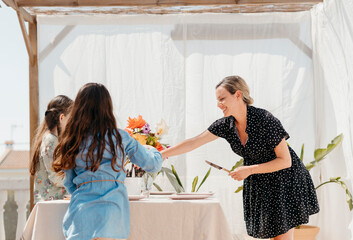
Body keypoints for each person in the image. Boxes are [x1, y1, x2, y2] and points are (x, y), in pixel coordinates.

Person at [161, 75, 319, 240]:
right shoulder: (226, 125)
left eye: (222, 98)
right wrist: (161, 154)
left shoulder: (265, 120)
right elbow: (194, 142)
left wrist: (249, 170)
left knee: (281, 238)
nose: (218, 104)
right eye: (217, 100)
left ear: (237, 95)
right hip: (260, 181)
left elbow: (285, 161)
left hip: (285, 178)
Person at [53, 83, 162, 240]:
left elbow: (70, 184)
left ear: (78, 109)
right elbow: (152, 165)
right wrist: (153, 150)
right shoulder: (120, 137)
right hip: (112, 215)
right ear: (107, 108)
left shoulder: (72, 140)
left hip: (81, 215)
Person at [30, 95, 73, 204]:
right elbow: (55, 176)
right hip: (52, 205)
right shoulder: (50, 141)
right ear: (62, 118)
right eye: (71, 118)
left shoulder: (51, 140)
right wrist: (77, 181)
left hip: (52, 203)